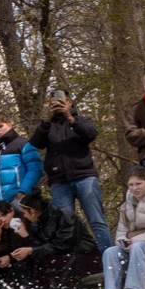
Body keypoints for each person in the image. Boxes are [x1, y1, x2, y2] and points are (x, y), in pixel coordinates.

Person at [33, 91, 110, 250]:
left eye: (61, 101)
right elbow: (36, 143)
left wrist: (70, 117)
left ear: (70, 102)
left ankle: (110, 257)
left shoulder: (81, 120)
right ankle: (75, 262)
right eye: (54, 102)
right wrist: (47, 120)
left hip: (84, 177)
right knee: (65, 224)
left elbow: (91, 134)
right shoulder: (48, 126)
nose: (58, 105)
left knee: (96, 220)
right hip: (59, 181)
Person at [0, 116, 43, 214]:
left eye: (0, 126)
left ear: (10, 125)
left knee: (28, 228)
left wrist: (23, 191)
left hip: (19, 199)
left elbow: (35, 169)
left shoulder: (22, 143)